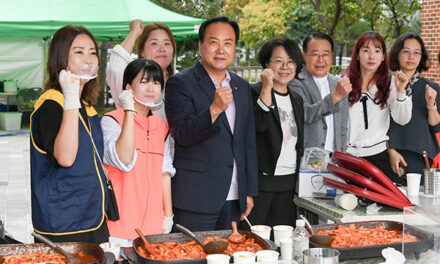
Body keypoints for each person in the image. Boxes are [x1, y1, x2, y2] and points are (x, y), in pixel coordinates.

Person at [165, 16, 258, 231]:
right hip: (196, 198)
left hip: (235, 196)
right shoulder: (180, 83)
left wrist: (248, 191)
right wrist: (214, 110)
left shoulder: (241, 86)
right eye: (214, 42)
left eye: (228, 43)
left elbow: (247, 142)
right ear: (201, 46)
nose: (221, 50)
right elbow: (182, 134)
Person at [30, 25, 108, 243]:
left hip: (93, 214)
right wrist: (71, 97)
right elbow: (65, 157)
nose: (89, 59)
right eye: (79, 51)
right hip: (64, 221)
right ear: (61, 58)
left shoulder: (87, 106)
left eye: (93, 52)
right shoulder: (52, 103)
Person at [101, 59, 175, 247]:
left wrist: (168, 214)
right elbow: (123, 158)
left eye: (156, 82)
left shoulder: (161, 127)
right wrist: (128, 111)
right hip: (119, 226)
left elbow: (164, 172)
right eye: (144, 81)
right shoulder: (111, 121)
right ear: (128, 87)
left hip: (153, 226)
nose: (151, 88)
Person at [248, 37, 304, 227]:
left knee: (283, 240)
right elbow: (258, 125)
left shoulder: (297, 99)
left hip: (289, 183)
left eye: (290, 62)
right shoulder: (253, 92)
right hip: (262, 184)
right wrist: (266, 87)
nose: (285, 67)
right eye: (278, 61)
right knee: (256, 240)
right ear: (266, 64)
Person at [344, 31, 412, 184]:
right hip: (346, 156)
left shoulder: (390, 84)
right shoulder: (343, 82)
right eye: (366, 50)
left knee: (374, 206)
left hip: (377, 157)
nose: (371, 56)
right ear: (357, 55)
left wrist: (401, 91)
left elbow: (402, 119)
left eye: (377, 51)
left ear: (383, 57)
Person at [387, 33, 440, 180]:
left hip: (420, 157)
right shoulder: (385, 86)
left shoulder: (432, 87)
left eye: (416, 52)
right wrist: (390, 151)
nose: (411, 57)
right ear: (397, 54)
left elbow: (436, 127)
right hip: (390, 155)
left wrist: (431, 105)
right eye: (406, 51)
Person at [290, 32, 351, 153]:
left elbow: (343, 124)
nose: (321, 60)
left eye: (325, 54)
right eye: (315, 54)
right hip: (308, 159)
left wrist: (343, 153)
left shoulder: (338, 83)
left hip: (335, 158)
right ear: (304, 56)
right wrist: (335, 96)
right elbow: (305, 114)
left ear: (331, 56)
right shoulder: (296, 83)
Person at [106, 19, 176, 122]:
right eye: (154, 43)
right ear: (142, 51)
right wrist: (134, 33)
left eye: (167, 43)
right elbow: (115, 68)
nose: (162, 49)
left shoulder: (179, 82)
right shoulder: (133, 80)